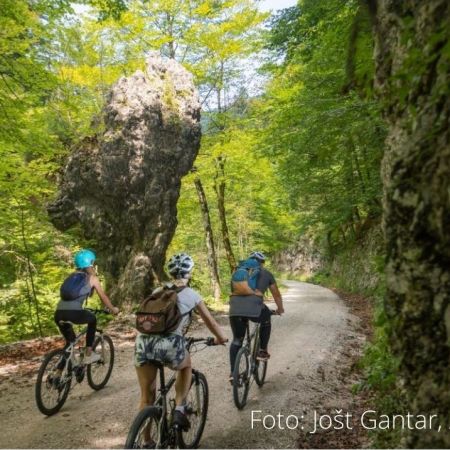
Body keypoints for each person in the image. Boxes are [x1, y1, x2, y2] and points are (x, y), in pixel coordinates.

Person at [134, 253, 228, 432]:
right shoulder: (192, 294)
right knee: (186, 365)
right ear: (189, 272)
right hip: (170, 344)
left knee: (146, 397)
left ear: (171, 273)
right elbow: (211, 322)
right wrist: (221, 338)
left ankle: (146, 441)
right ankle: (179, 409)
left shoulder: (157, 292)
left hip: (143, 343)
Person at [54, 249, 119, 364]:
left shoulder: (70, 277)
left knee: (70, 343)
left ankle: (59, 371)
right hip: (74, 313)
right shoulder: (92, 278)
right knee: (92, 319)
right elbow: (103, 297)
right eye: (93, 263)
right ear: (90, 263)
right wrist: (113, 309)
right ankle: (88, 353)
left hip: (59, 313)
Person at [229, 251, 284, 380]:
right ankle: (262, 350)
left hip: (235, 308)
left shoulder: (239, 272)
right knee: (266, 318)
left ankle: (233, 373)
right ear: (262, 263)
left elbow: (234, 290)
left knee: (237, 340)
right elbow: (276, 294)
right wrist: (280, 309)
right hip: (255, 308)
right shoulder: (267, 274)